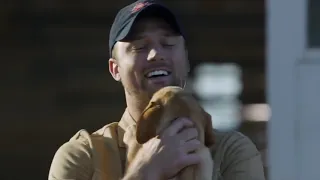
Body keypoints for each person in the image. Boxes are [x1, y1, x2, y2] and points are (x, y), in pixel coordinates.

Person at [48, 0, 265, 180]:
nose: (156, 55)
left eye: (168, 44)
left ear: (186, 60)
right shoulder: (83, 156)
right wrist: (144, 172)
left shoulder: (230, 152)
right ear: (115, 69)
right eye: (140, 47)